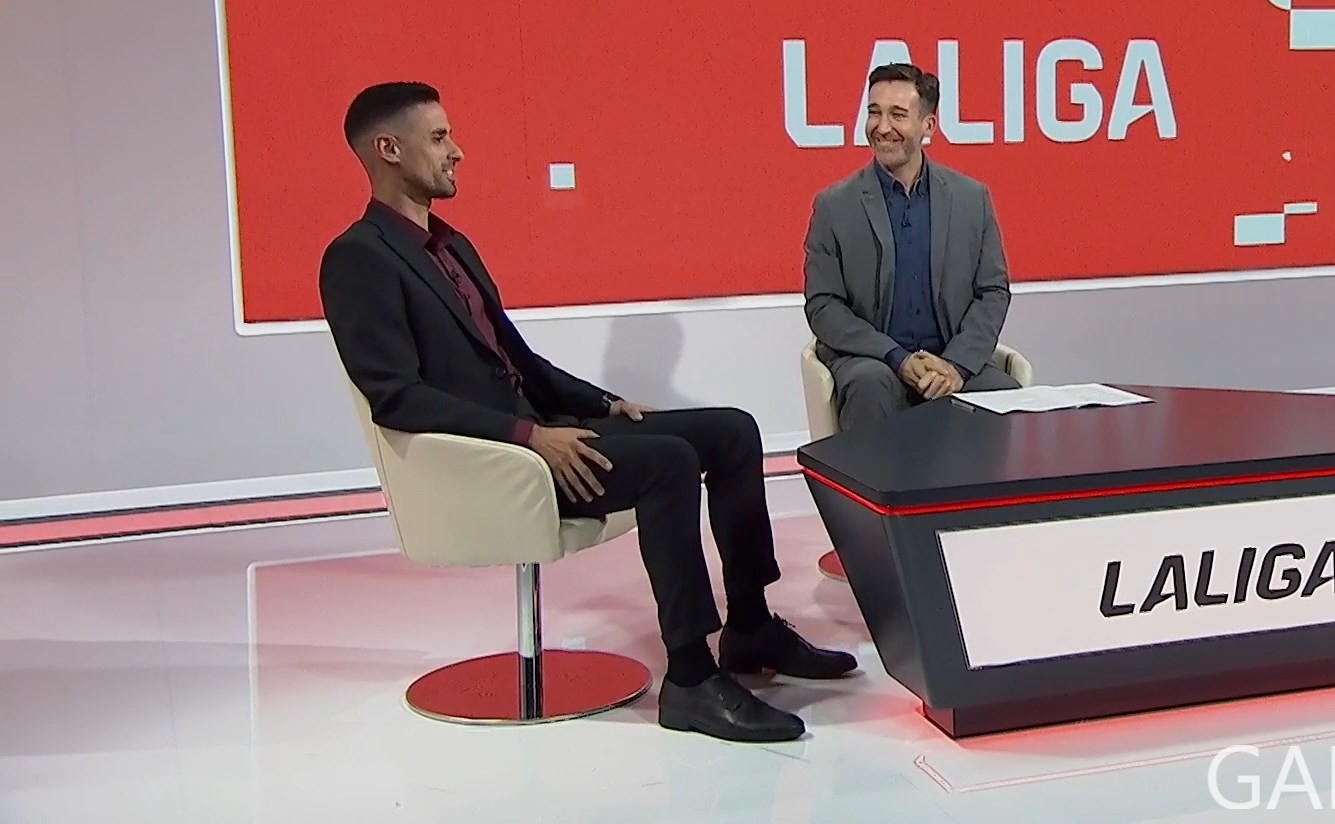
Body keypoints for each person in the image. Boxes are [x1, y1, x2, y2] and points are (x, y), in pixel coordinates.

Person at [318, 82, 854, 744]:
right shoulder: (358, 258)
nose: (456, 151)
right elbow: (396, 395)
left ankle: (749, 625)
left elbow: (519, 360)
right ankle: (690, 678)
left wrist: (602, 403)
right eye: (438, 138)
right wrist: (527, 436)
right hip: (497, 455)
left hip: (540, 431)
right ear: (388, 149)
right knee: (669, 462)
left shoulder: (453, 246)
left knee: (732, 432)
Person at [803, 63, 1018, 428]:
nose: (882, 127)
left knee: (1005, 394)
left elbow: (992, 291)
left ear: (928, 125)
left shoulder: (971, 199)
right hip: (873, 361)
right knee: (871, 385)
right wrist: (897, 357)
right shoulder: (834, 206)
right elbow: (823, 306)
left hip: (949, 360)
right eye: (874, 113)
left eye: (898, 115)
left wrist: (956, 365)